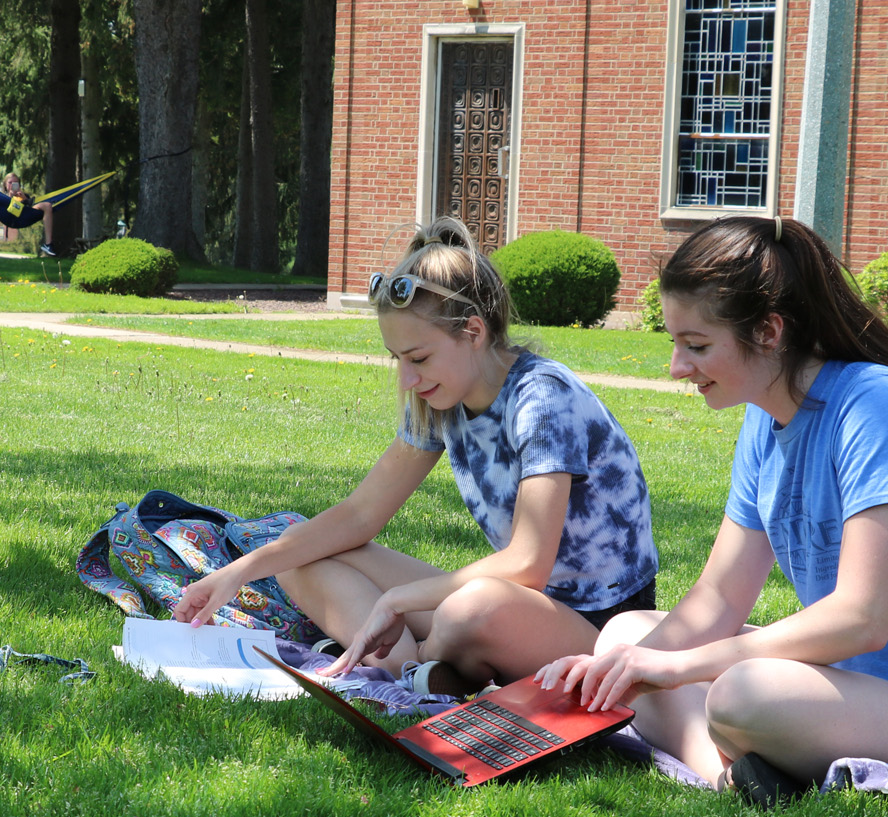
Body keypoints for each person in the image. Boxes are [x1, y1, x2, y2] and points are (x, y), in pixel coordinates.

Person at [536, 216, 888, 804]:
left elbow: (861, 618)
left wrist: (678, 670)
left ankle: (748, 753)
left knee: (740, 694)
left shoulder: (875, 406)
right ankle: (732, 778)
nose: (677, 368)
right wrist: (621, 668)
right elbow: (717, 600)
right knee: (624, 635)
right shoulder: (764, 421)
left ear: (769, 331)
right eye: (675, 343)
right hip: (862, 692)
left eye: (697, 345)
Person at [173, 219, 660, 694]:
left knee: (468, 609)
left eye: (419, 358)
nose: (408, 379)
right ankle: (417, 672)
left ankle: (426, 660)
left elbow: (528, 563)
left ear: (473, 331)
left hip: (598, 627)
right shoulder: (441, 399)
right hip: (519, 604)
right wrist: (236, 573)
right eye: (398, 359)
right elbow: (360, 514)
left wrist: (399, 599)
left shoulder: (542, 398)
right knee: (300, 553)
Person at [0, 172, 55, 255]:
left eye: (15, 183)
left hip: (24, 217)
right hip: (12, 220)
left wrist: (24, 198)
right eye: (10, 183)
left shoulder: (23, 195)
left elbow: (31, 207)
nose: (12, 185)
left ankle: (48, 244)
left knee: (47, 206)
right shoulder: (2, 197)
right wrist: (11, 196)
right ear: (5, 185)